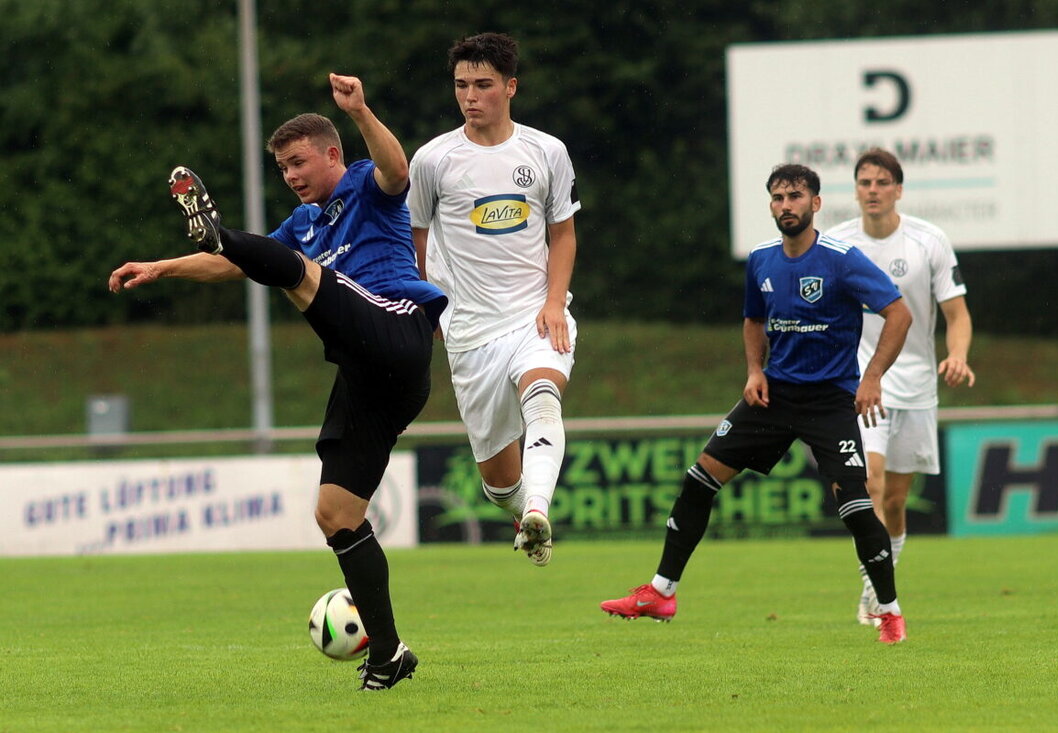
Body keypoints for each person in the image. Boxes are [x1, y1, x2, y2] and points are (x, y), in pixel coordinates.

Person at [108, 74, 446, 690]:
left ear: (332, 153)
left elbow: (400, 171)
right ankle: (389, 653)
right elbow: (233, 262)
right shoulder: (302, 224)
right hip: (365, 373)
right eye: (282, 166)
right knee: (336, 515)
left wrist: (363, 110)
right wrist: (163, 265)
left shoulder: (371, 184)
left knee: (299, 275)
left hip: (400, 331)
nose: (290, 174)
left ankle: (220, 225)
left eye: (298, 162)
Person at [600, 164, 914, 644]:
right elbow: (753, 319)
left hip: (830, 400)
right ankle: (662, 591)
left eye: (795, 196)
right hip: (775, 396)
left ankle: (889, 613)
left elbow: (899, 313)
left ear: (816, 203)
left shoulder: (841, 259)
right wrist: (754, 370)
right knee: (698, 479)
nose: (786, 205)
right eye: (778, 197)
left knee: (854, 506)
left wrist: (872, 378)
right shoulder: (762, 259)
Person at [407, 32, 580, 566]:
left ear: (510, 87)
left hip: (533, 314)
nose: (470, 96)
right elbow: (416, 238)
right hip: (469, 333)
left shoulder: (546, 151)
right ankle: (520, 508)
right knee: (499, 478)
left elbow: (563, 234)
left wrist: (554, 303)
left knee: (544, 394)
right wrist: (428, 304)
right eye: (461, 85)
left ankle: (539, 512)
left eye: (482, 85)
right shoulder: (433, 160)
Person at [825, 147, 974, 625]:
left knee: (894, 499)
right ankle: (875, 593)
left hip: (916, 384)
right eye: (865, 183)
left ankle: (878, 584)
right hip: (860, 383)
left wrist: (957, 355)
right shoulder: (836, 244)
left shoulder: (928, 241)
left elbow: (957, 314)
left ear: (898, 190)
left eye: (882, 183)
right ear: (856, 190)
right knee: (870, 482)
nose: (873, 191)